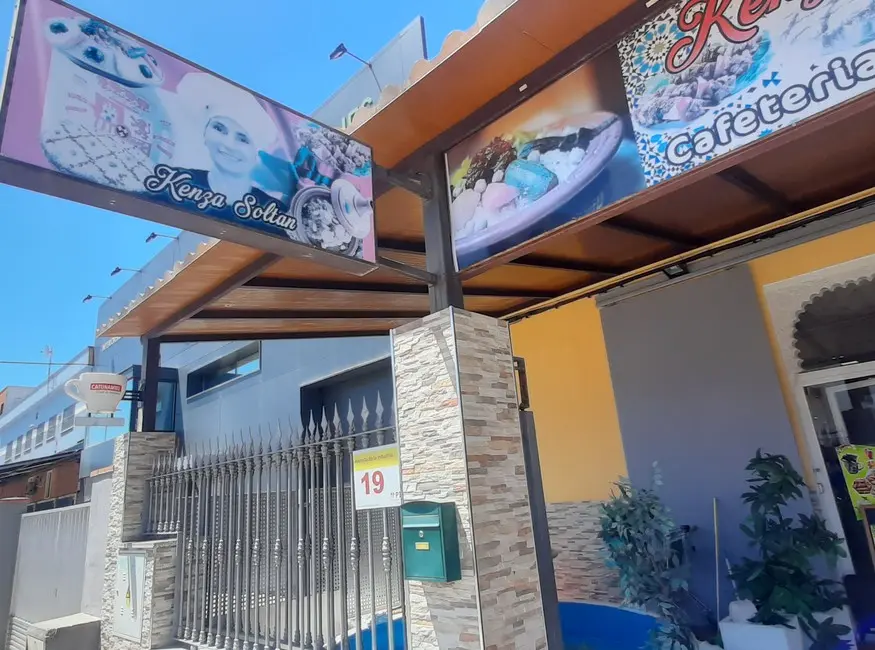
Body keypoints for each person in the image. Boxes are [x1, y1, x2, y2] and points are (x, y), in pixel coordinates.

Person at [168, 72, 291, 219]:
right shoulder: (175, 182)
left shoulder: (275, 211)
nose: (228, 144)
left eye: (243, 139)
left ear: (256, 152)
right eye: (219, 128)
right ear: (205, 133)